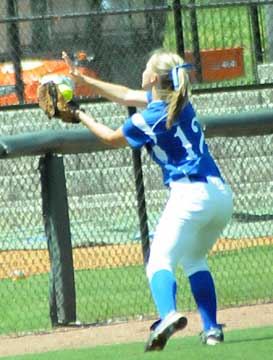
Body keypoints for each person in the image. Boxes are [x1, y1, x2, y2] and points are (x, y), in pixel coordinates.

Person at [62, 49, 233, 351]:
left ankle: (168, 315)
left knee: (158, 263)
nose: (141, 71)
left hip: (189, 194)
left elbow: (111, 138)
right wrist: (83, 79)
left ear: (154, 78)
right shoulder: (177, 101)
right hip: (220, 196)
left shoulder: (152, 115)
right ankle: (211, 330)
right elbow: (126, 95)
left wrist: (79, 114)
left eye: (145, 66)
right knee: (193, 258)